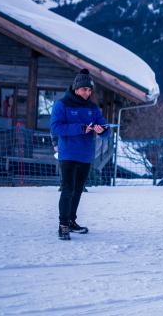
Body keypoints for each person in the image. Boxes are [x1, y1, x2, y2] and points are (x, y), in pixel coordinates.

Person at [50, 69, 109, 240]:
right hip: (68, 154)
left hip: (85, 155)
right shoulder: (62, 104)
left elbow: (105, 131)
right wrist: (80, 128)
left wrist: (102, 130)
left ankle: (71, 221)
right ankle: (63, 225)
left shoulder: (93, 108)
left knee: (77, 190)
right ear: (76, 88)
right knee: (67, 189)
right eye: (84, 89)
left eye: (90, 90)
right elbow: (55, 127)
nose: (87, 93)